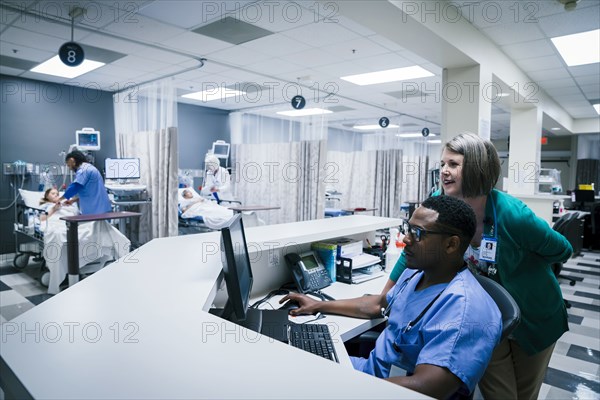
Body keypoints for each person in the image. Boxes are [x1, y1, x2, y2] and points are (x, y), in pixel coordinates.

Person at [389, 133, 573, 399]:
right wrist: (385, 294)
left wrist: (522, 265)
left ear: (476, 167)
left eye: (453, 164)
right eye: (442, 164)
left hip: (536, 315)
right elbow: (413, 246)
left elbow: (562, 250)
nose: (444, 172)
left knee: (524, 394)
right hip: (486, 317)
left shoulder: (513, 215)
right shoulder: (441, 204)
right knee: (499, 395)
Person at [281, 196, 502, 399]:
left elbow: (428, 387)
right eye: (408, 228)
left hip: (384, 389)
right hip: (369, 372)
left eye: (417, 233)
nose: (406, 239)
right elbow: (378, 304)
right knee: (291, 360)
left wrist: (349, 387)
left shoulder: (465, 309)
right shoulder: (417, 273)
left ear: (451, 244)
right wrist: (318, 305)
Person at [58, 150, 112, 215]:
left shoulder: (83, 171)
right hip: (102, 209)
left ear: (72, 161)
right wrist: (73, 200)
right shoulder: (89, 167)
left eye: (69, 165)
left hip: (96, 212)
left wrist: (60, 199)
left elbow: (74, 187)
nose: (70, 169)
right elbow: (90, 192)